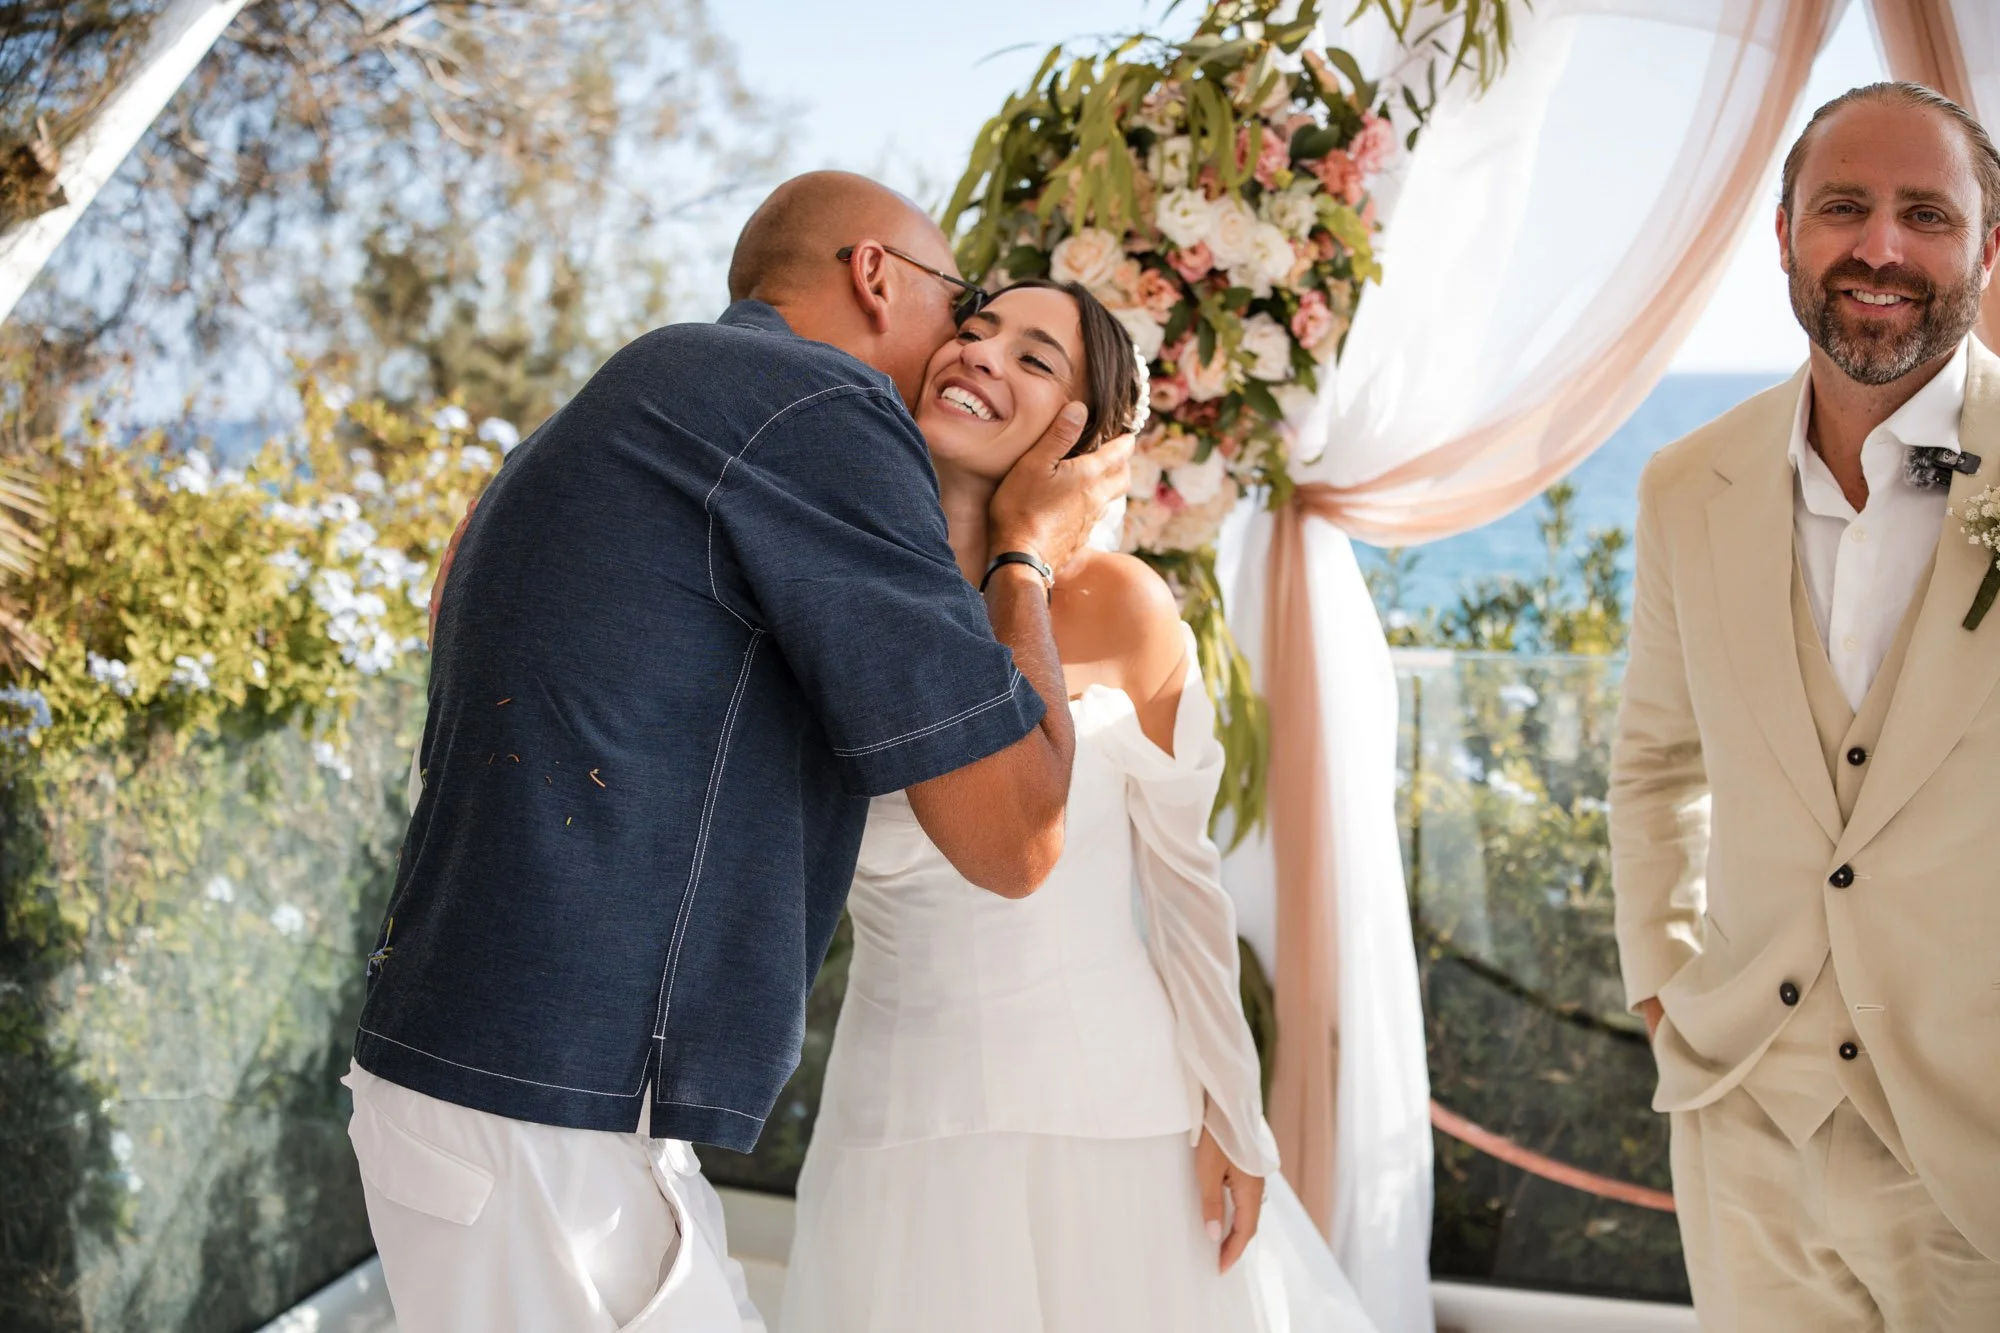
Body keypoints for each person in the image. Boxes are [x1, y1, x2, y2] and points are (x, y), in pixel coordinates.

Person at [342, 171, 1132, 1333]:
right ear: (875, 276)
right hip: (545, 1110)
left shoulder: (626, 398)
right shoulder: (817, 407)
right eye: (961, 306)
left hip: (507, 1084)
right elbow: (1016, 838)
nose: (963, 348)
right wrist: (1024, 552)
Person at [781, 279, 1378, 1333]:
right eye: (970, 331)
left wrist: (1235, 1116)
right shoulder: (843, 594)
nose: (979, 354)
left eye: (1033, 357)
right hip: (893, 1116)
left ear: (1081, 434)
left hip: (1112, 1115)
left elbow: (1184, 889)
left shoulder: (1117, 604)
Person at [1611, 82, 2000, 1328]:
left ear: (1985, 250)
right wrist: (1665, 986)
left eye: (1923, 215)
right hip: (1743, 1125)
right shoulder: (1686, 482)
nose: (1877, 248)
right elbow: (1656, 760)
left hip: (1976, 1141)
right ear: (1782, 233)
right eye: (1842, 208)